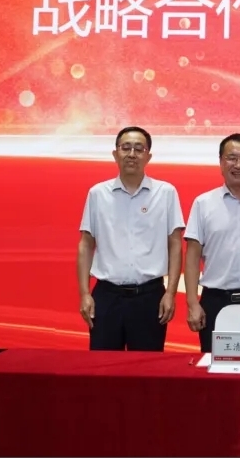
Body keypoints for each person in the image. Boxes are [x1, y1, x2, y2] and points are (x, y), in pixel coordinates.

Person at [77, 126, 185, 351]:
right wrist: (85, 293)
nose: (132, 154)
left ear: (148, 156)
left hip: (149, 296)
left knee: (147, 366)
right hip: (107, 296)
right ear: (115, 154)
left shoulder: (165, 193)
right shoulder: (98, 194)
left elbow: (175, 245)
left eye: (139, 148)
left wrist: (170, 293)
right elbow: (86, 244)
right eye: (125, 148)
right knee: (104, 366)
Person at [184, 133, 240, 353]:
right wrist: (193, 303)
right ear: (221, 162)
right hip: (216, 301)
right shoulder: (203, 203)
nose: (238, 165)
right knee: (216, 365)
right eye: (231, 158)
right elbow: (192, 257)